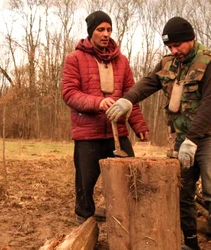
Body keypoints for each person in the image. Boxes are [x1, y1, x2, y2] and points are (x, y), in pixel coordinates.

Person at [106, 16, 211, 250]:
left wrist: (192, 141)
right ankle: (191, 243)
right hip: (182, 136)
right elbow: (148, 83)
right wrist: (127, 100)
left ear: (191, 40)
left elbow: (209, 105)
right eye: (170, 47)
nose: (174, 51)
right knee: (182, 190)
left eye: (178, 45)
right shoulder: (168, 62)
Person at [61, 10, 150, 224]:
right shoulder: (75, 59)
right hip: (87, 135)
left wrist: (138, 124)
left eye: (109, 29)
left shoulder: (122, 61)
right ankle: (85, 223)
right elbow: (69, 93)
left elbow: (131, 96)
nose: (106, 34)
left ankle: (127, 219)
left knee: (130, 178)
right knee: (85, 183)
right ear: (91, 32)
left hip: (117, 132)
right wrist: (97, 102)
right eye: (101, 29)